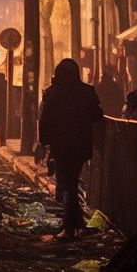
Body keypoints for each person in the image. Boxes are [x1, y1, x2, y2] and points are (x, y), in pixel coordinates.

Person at [38, 58, 104, 241]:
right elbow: (97, 116)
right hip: (81, 145)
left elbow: (46, 119)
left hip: (61, 145)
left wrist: (44, 142)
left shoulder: (53, 93)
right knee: (71, 183)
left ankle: (69, 227)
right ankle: (76, 223)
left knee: (68, 184)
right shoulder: (87, 92)